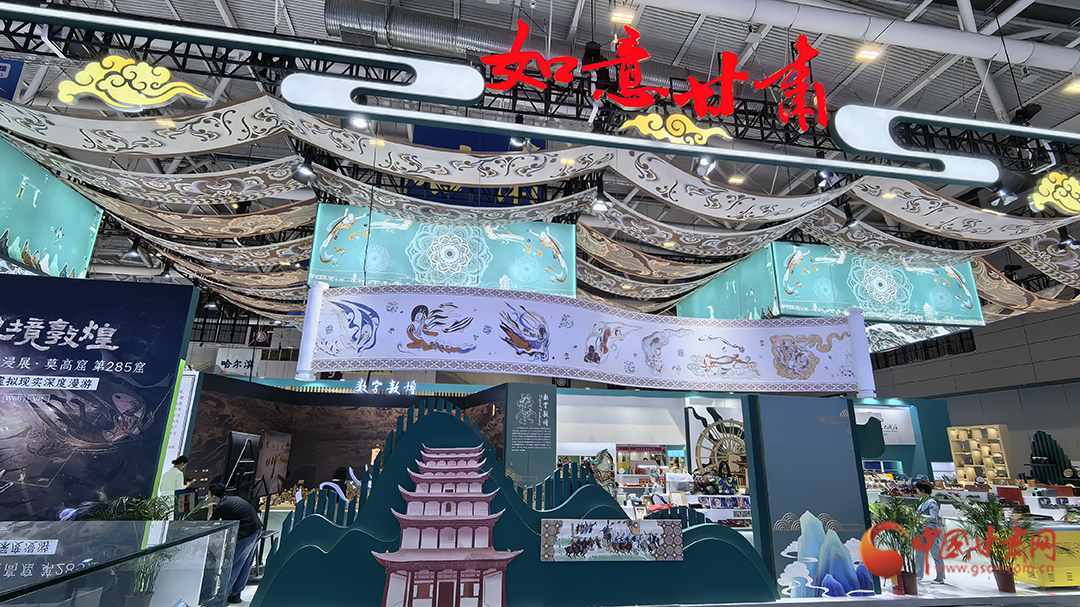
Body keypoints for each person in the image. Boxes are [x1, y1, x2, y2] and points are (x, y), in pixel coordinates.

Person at [209, 483, 264, 604]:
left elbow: (211, 524)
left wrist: (210, 510)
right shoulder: (233, 499)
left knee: (233, 565)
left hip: (246, 534)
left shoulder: (222, 506)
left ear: (213, 496)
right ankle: (235, 594)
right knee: (245, 564)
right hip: (256, 530)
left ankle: (222, 598)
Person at [914, 480, 946, 585]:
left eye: (918, 489)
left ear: (922, 490)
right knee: (919, 553)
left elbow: (933, 517)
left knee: (935, 553)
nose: (916, 491)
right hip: (921, 529)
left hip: (930, 530)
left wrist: (921, 516)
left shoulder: (932, 502)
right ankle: (918, 574)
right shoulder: (921, 501)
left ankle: (940, 577)